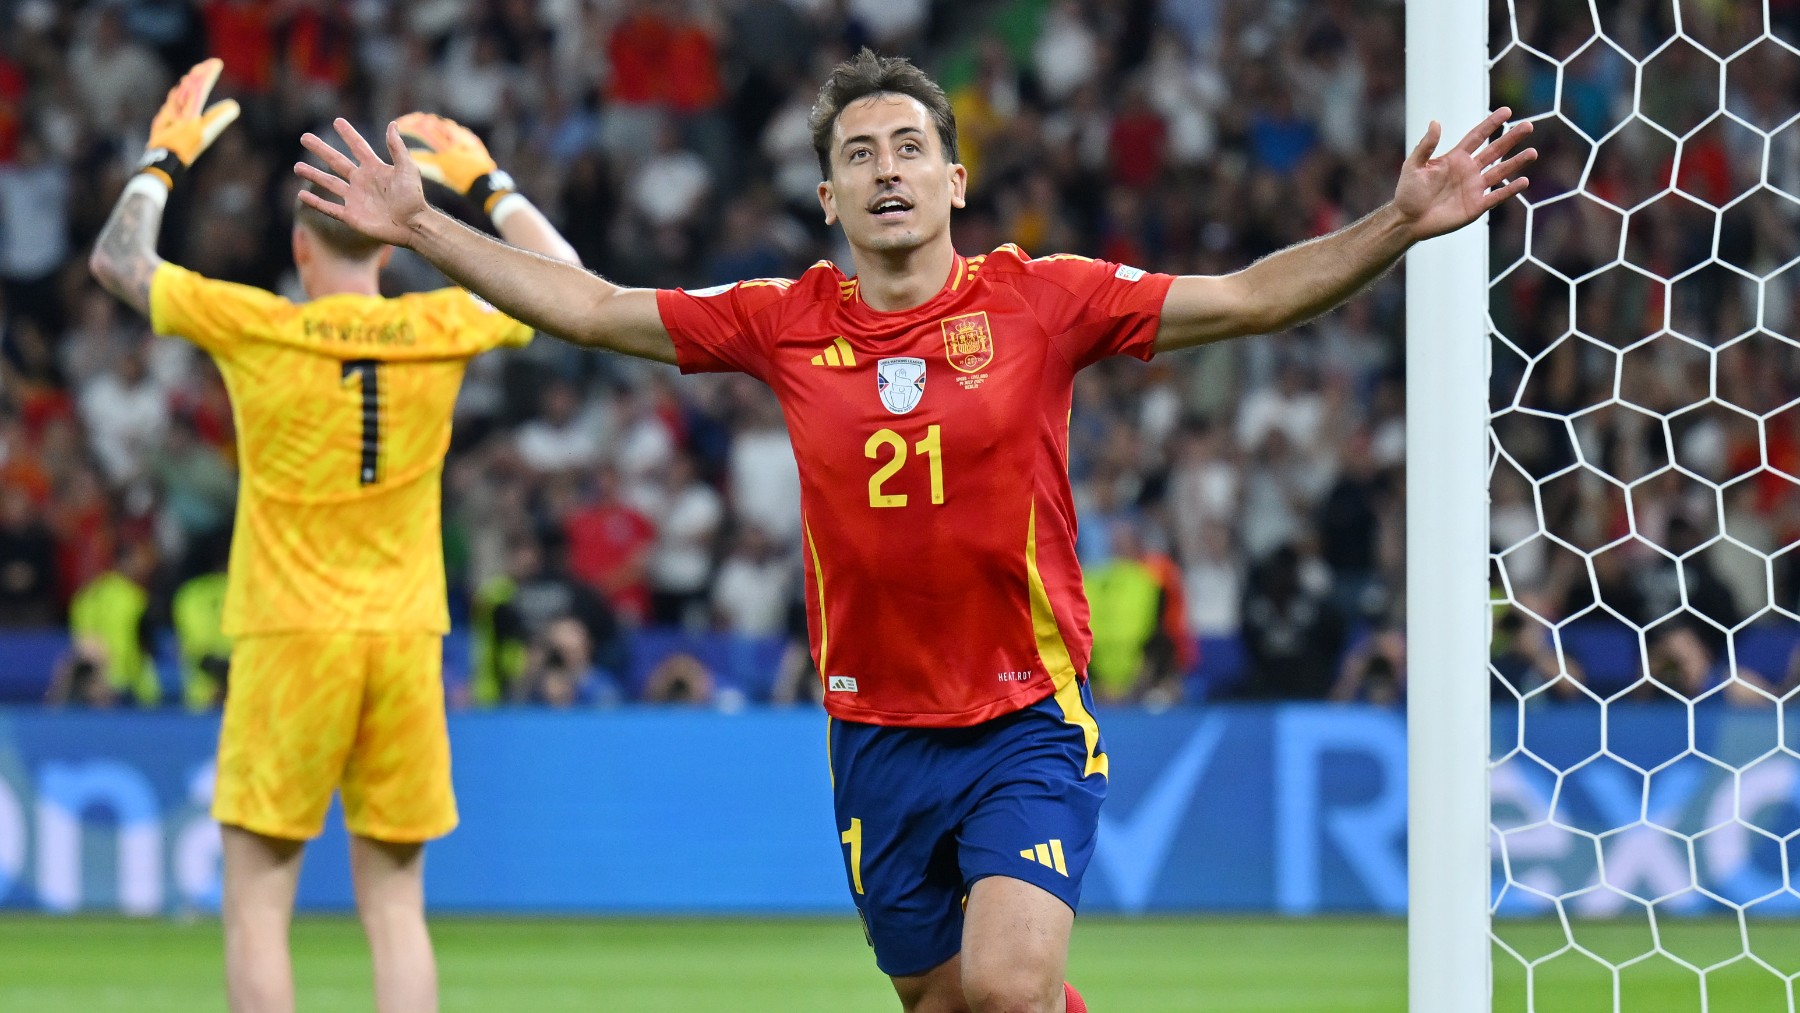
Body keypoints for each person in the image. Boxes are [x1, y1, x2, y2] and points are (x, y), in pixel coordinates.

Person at [298, 48, 1533, 1013]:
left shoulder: (1043, 301)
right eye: (858, 153)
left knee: (1006, 982)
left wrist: (1399, 222)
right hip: (875, 734)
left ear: (955, 179)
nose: (887, 168)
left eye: (909, 147)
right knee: (948, 999)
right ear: (828, 194)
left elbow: (1253, 298)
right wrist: (419, 227)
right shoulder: (783, 319)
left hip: (1023, 717)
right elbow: (598, 307)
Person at [89, 60, 582, 1013]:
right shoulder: (440, 323)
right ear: (387, 252)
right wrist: (487, 180)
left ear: (299, 250)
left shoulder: (258, 325)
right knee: (396, 901)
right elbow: (564, 284)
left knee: (258, 898)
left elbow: (119, 264)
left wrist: (164, 157)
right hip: (403, 637)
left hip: (289, 635)